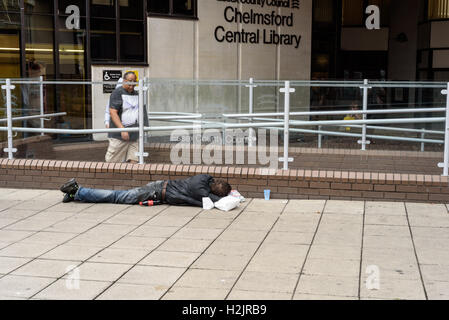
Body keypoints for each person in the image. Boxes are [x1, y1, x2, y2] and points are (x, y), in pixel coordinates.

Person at [59, 175, 232, 207]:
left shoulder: (204, 178)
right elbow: (210, 202)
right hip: (154, 193)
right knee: (117, 197)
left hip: (158, 187)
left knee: (118, 196)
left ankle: (74, 193)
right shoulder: (200, 190)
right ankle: (78, 190)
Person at [105, 71, 148, 164]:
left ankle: (132, 178)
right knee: (113, 162)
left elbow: (142, 111)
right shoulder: (117, 93)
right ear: (124, 81)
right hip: (119, 136)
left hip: (135, 135)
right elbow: (113, 112)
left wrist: (145, 127)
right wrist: (122, 129)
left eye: (134, 82)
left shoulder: (137, 94)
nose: (131, 85)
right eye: (129, 81)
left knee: (135, 160)